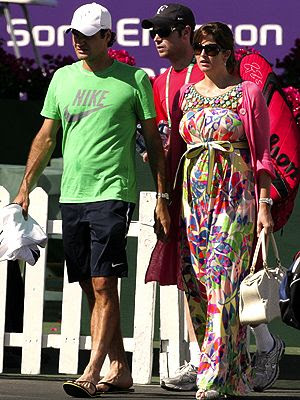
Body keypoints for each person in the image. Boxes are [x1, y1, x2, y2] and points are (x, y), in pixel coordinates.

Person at [13, 2, 170, 398]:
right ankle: (120, 368)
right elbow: (47, 136)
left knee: (103, 283)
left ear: (108, 38)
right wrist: (24, 186)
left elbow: (153, 140)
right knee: (91, 286)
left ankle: (92, 370)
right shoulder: (62, 79)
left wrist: (163, 195)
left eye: (88, 35)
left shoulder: (134, 78)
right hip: (73, 194)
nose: (79, 42)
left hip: (113, 192)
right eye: (75, 35)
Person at [142, 5, 284, 395]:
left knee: (222, 281)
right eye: (201, 48)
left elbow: (261, 155)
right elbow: (173, 148)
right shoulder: (186, 94)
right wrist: (164, 194)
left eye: (212, 48)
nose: (203, 55)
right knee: (203, 284)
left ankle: (210, 376)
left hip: (234, 197)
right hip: (194, 198)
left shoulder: (247, 93)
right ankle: (234, 378)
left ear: (227, 54)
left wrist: (265, 205)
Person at [141, 3, 204, 391]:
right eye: (154, 32)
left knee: (225, 275)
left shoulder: (210, 70)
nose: (157, 38)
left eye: (165, 31)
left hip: (216, 187)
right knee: (188, 277)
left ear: (187, 33)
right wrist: (163, 194)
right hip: (178, 192)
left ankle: (262, 344)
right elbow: (160, 142)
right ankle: (200, 360)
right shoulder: (160, 82)